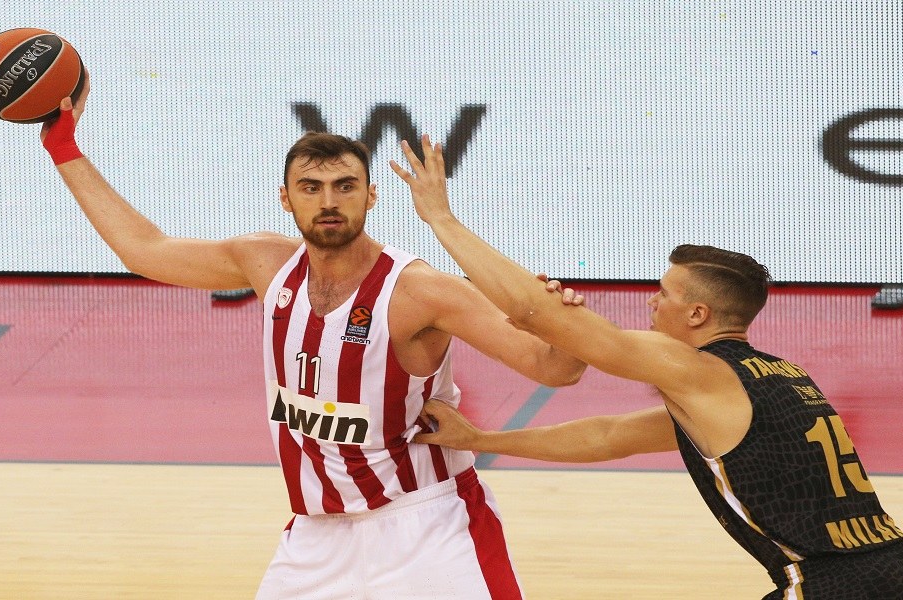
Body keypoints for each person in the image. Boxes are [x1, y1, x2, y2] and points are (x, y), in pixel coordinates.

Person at [37, 77, 586, 599]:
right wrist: (63, 147)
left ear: (371, 196)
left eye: (345, 187)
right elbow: (144, 251)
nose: (328, 202)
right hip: (316, 536)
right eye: (311, 188)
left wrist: (565, 323)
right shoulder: (265, 263)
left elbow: (554, 368)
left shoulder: (419, 291)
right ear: (286, 198)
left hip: (427, 525)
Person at [390, 136, 903, 599]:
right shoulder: (779, 378)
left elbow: (534, 313)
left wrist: (441, 220)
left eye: (663, 293)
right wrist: (482, 440)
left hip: (833, 582)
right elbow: (609, 435)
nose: (651, 302)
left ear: (697, 315)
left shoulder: (700, 370)